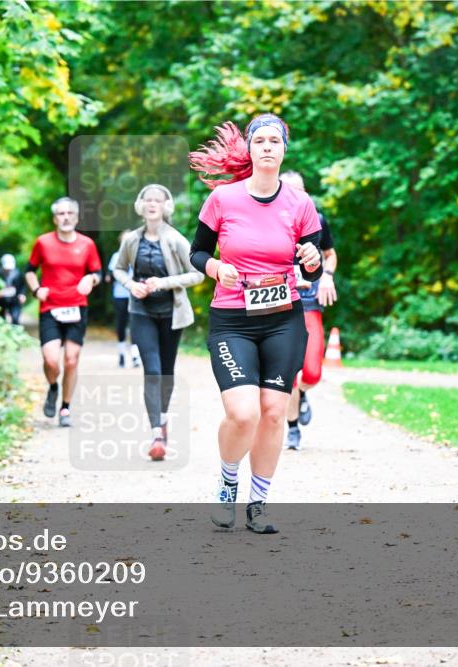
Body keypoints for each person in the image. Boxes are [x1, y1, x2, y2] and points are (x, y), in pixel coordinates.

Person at [188, 113, 323, 533]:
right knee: (243, 413)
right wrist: (214, 268)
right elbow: (196, 253)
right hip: (232, 320)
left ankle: (258, 503)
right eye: (259, 140)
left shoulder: (301, 204)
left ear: (284, 150)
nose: (267, 147)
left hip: (283, 319)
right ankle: (229, 482)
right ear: (249, 149)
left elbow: (313, 266)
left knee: (272, 413)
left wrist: (314, 262)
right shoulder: (223, 200)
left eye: (274, 141)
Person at [112, 184, 203, 461]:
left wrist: (163, 283)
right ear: (141, 205)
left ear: (166, 206)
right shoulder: (131, 240)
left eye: (158, 201)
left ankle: (162, 418)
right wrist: (131, 285)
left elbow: (197, 274)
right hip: (141, 312)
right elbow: (118, 268)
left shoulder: (175, 238)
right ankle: (156, 434)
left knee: (166, 371)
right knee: (151, 370)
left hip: (171, 313)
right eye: (148, 200)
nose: (152, 204)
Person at [24, 197, 102, 427]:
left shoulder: (87, 244)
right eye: (61, 214)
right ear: (55, 218)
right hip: (50, 308)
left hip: (77, 307)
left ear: (76, 217)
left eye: (70, 213)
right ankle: (53, 387)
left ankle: (65, 408)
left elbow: (96, 272)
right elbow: (29, 271)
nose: (65, 217)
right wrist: (36, 289)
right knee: (51, 360)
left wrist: (90, 279)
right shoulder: (43, 243)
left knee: (71, 360)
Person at [280, 171, 338, 451]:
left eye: (299, 190)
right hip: (279, 306)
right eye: (287, 190)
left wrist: (326, 275)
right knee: (289, 373)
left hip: (310, 304)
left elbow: (330, 254)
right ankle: (292, 430)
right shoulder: (269, 221)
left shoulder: (317, 220)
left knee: (312, 373)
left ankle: (302, 394)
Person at [107, 234, 142, 369]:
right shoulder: (116, 256)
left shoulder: (139, 254)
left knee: (135, 324)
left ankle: (135, 356)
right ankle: (121, 353)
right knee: (121, 324)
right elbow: (110, 274)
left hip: (136, 294)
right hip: (120, 295)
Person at [0, 253, 27, 325]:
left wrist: (22, 294)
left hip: (14, 299)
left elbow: (22, 286)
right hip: (1, 300)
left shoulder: (18, 274)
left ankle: (16, 331)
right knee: (1, 318)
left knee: (15, 318)